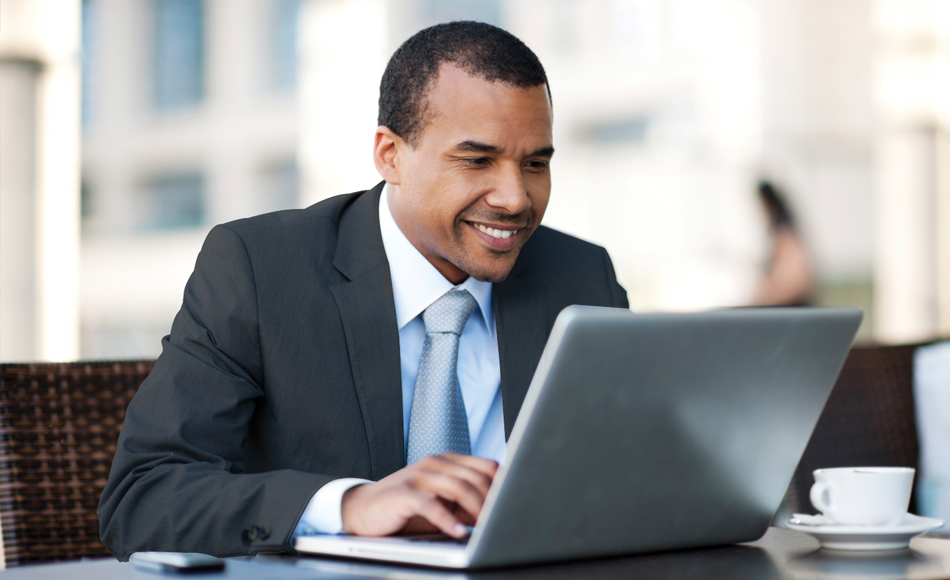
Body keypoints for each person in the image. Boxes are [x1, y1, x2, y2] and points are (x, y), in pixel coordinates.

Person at [98, 21, 628, 560]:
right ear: (389, 155)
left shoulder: (582, 277)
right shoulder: (260, 269)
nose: (516, 198)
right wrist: (350, 506)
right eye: (477, 160)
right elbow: (143, 500)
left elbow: (634, 477)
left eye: (535, 163)